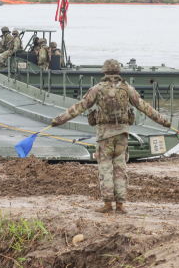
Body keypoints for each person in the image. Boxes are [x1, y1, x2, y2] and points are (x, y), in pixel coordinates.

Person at [51, 59, 171, 215]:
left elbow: (79, 107)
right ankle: (120, 205)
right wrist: (164, 121)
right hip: (122, 135)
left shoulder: (97, 89)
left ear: (105, 72)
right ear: (119, 72)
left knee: (105, 169)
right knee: (120, 169)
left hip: (104, 136)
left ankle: (107, 204)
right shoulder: (127, 89)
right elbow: (145, 107)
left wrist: (58, 120)